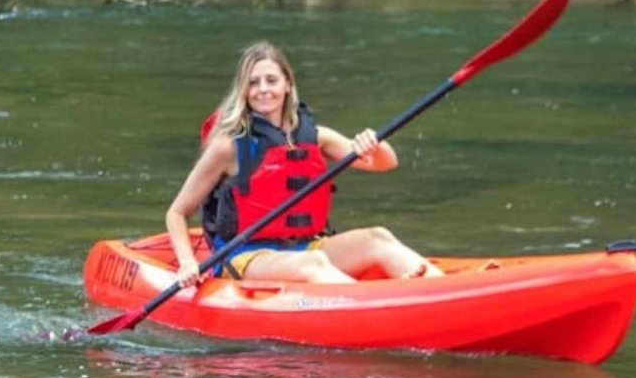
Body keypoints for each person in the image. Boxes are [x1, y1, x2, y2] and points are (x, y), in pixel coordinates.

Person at [165, 41, 443, 289]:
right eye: (253, 82)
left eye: (271, 80)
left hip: (305, 245)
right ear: (243, 90)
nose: (263, 89)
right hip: (247, 256)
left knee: (378, 238)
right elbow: (177, 213)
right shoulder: (227, 147)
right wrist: (188, 262)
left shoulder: (316, 136)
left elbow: (385, 163)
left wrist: (374, 144)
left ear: (287, 85)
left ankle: (439, 290)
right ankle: (386, 304)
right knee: (313, 265)